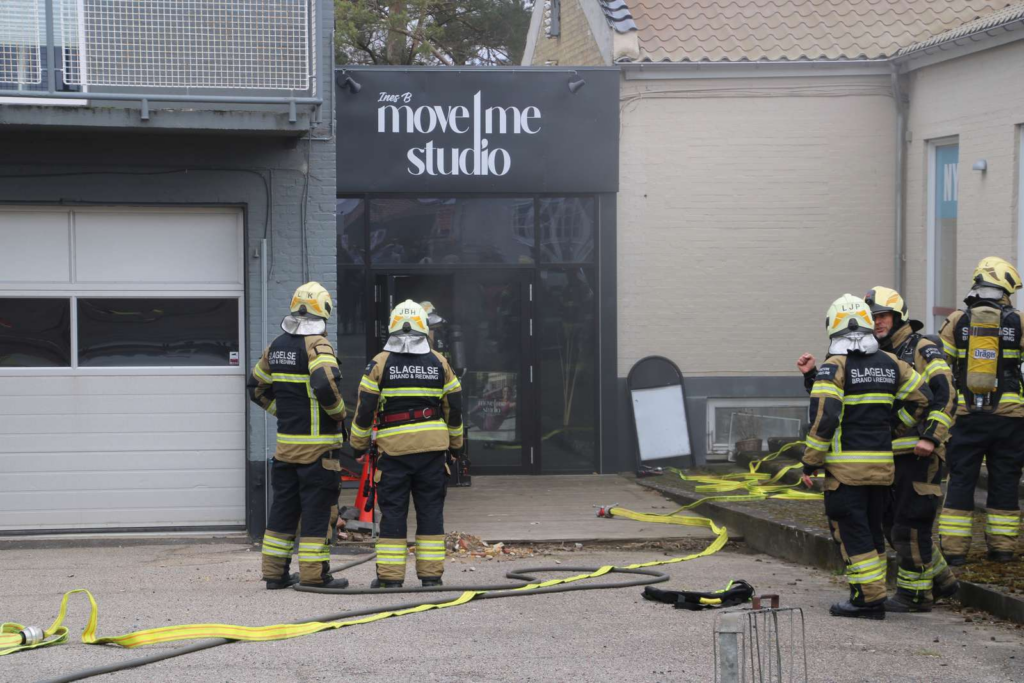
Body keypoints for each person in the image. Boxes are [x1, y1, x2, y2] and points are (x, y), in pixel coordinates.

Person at [800, 294, 931, 619]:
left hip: (846, 472)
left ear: (833, 327)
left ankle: (867, 600)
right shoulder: (892, 363)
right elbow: (923, 399)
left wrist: (810, 462)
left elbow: (825, 418)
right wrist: (894, 428)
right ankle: (872, 594)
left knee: (851, 531)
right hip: (882, 468)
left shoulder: (835, 367)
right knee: (872, 530)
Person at [350, 300, 464, 588]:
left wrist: (358, 446)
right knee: (430, 511)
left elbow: (365, 409)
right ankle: (431, 577)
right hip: (433, 451)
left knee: (393, 512)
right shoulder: (440, 362)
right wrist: (456, 447)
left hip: (393, 452)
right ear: (424, 329)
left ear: (392, 328)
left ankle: (390, 580)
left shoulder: (380, 363)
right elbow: (454, 407)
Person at [248, 282, 349, 590]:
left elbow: (255, 387)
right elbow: (325, 384)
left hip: (286, 450)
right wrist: (339, 414)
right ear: (325, 311)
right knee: (318, 513)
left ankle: (275, 574)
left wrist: (284, 412)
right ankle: (315, 576)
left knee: (283, 510)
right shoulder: (318, 346)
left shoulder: (276, 346)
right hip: (318, 453)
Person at [938, 257, 1024, 564]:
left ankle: (954, 552)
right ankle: (1002, 549)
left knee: (961, 480)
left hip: (966, 416)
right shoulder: (1019, 321)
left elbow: (939, 368)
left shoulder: (956, 320)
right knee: (1005, 481)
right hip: (1010, 418)